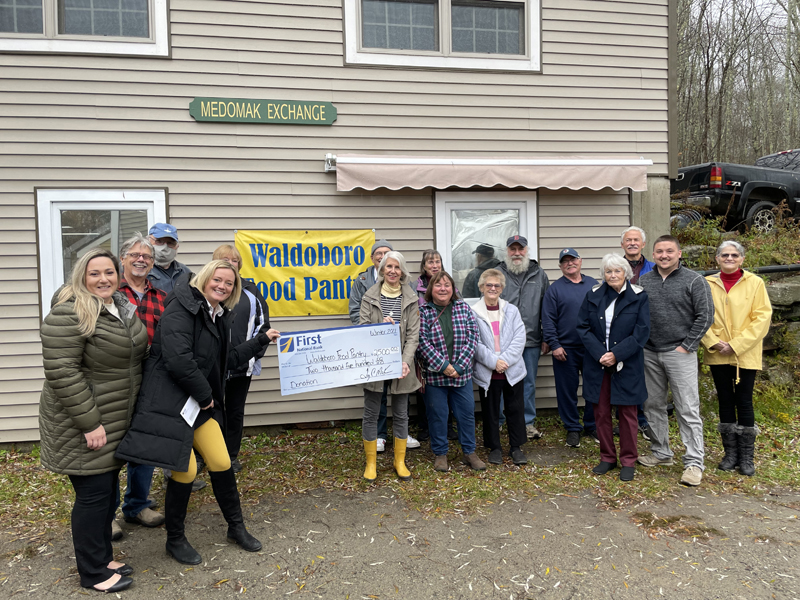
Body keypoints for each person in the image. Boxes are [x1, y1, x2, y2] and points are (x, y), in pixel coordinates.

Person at [116, 260, 279, 565]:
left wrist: (260, 340)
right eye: (218, 279)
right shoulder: (182, 306)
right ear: (206, 278)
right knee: (187, 470)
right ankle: (175, 539)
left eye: (229, 283)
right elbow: (178, 359)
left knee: (220, 460)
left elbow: (226, 359)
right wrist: (207, 397)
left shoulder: (218, 315)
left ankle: (236, 528)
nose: (223, 286)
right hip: (171, 403)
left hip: (198, 405)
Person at [39, 248, 147, 592]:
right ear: (81, 277)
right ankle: (92, 572)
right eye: (94, 273)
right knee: (93, 496)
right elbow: (62, 372)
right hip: (84, 422)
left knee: (107, 492)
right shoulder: (69, 312)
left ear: (119, 274)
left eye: (109, 272)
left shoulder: (120, 307)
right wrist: (89, 423)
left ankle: (102, 557)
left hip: (114, 417)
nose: (103, 279)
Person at [638, 235, 714, 486]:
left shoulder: (695, 280)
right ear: (653, 254)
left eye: (669, 251)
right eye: (659, 251)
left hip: (680, 352)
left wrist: (687, 346)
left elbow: (705, 316)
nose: (664, 256)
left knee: (687, 408)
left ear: (679, 253)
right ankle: (661, 452)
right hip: (650, 352)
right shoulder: (644, 280)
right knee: (653, 405)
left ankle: (694, 462)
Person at [577, 254, 650, 482]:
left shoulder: (639, 296)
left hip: (626, 364)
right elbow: (582, 327)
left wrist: (616, 354)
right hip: (598, 363)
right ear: (604, 274)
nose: (613, 275)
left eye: (618, 271)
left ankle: (628, 460)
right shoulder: (593, 295)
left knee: (628, 414)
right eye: (609, 271)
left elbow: (641, 332)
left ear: (626, 273)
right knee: (601, 412)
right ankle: (607, 457)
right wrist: (601, 354)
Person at [701, 241, 772, 476]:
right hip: (717, 350)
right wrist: (713, 341)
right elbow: (700, 316)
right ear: (717, 259)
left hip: (745, 352)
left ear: (742, 259)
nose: (729, 258)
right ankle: (730, 454)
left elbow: (762, 317)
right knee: (724, 400)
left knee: (744, 401)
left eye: (734, 255)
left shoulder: (755, 283)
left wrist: (736, 345)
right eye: (724, 255)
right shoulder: (708, 283)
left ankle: (746, 457)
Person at [113, 234, 167, 537]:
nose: (141, 260)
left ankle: (136, 505)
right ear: (123, 259)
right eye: (135, 255)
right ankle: (107, 513)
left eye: (146, 256)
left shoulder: (160, 297)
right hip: (116, 381)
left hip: (150, 380)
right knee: (110, 450)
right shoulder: (108, 292)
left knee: (144, 443)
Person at [349, 239, 419, 453]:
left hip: (402, 364)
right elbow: (363, 328)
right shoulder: (369, 296)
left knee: (401, 413)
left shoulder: (411, 297)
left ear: (402, 271)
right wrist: (379, 327)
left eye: (397, 267)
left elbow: (413, 335)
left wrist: (406, 362)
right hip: (376, 362)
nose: (393, 270)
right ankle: (371, 461)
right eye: (388, 266)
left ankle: (400, 460)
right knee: (371, 412)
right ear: (381, 269)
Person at [212, 244, 273, 474]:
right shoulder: (205, 288)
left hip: (242, 366)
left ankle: (230, 455)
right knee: (210, 411)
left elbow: (263, 326)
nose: (230, 263)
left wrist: (253, 355)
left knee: (235, 411)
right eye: (224, 259)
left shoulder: (251, 291)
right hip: (211, 368)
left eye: (235, 260)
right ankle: (206, 454)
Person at [418, 271, 485, 472]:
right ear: (431, 289)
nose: (443, 288)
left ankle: (469, 452)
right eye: (438, 285)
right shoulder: (425, 312)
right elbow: (422, 342)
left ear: (453, 288)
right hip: (435, 376)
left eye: (447, 285)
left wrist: (458, 367)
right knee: (438, 415)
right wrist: (444, 366)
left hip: (461, 375)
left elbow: (473, 337)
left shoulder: (463, 308)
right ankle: (440, 453)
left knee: (466, 414)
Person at [541, 248, 598, 448]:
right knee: (567, 391)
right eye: (565, 261)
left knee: (593, 388)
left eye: (573, 260)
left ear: (580, 261)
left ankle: (592, 425)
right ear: (560, 266)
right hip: (565, 349)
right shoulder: (554, 289)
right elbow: (547, 319)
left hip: (592, 348)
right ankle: (573, 428)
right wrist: (554, 345)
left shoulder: (594, 284)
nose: (569, 264)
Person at [471, 269, 528, 465]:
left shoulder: (511, 310)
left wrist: (504, 361)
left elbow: (519, 338)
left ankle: (516, 447)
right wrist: (493, 362)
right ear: (481, 287)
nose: (493, 288)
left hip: (512, 370)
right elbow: (474, 343)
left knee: (515, 409)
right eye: (489, 285)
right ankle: (494, 447)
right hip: (488, 372)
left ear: (502, 288)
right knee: (491, 411)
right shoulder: (474, 312)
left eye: (497, 285)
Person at [498, 235, 550, 439]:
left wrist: (547, 336)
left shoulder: (539, 274)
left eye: (521, 249)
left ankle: (527, 422)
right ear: (507, 251)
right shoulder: (497, 273)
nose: (517, 253)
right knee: (502, 381)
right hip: (502, 341)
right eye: (513, 249)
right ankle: (502, 420)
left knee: (527, 382)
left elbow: (547, 307)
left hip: (531, 339)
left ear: (527, 251)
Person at [618, 227, 656, 441]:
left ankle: (643, 420)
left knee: (645, 379)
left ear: (643, 244)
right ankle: (623, 417)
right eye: (628, 240)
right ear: (622, 245)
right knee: (623, 376)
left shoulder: (654, 268)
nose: (632, 243)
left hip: (648, 333)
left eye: (636, 240)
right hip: (622, 334)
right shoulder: (614, 268)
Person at [147, 223, 192, 294]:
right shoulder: (142, 270)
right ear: (148, 241)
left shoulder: (184, 272)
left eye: (170, 243)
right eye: (159, 241)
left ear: (177, 246)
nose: (164, 247)